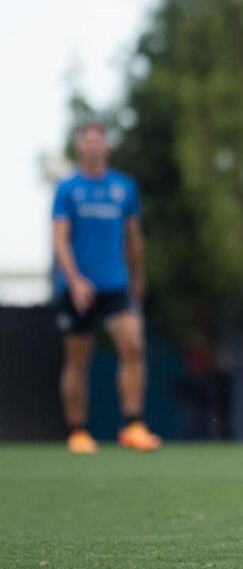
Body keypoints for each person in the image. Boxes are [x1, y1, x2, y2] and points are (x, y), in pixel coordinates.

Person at [52, 122, 161, 454]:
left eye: (99, 141)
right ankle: (78, 431)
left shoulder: (124, 187)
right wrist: (75, 281)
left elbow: (134, 238)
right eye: (88, 141)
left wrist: (138, 280)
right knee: (78, 360)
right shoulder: (68, 189)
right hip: (78, 289)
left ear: (107, 147)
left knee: (133, 347)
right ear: (80, 147)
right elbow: (59, 240)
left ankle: (133, 424)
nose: (94, 146)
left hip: (116, 284)